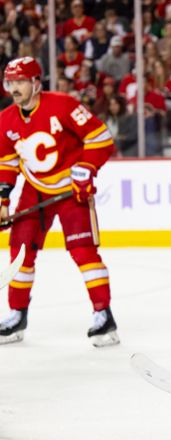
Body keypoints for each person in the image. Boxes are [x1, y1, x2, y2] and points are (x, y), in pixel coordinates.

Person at [0, 57, 118, 346]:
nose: (14, 88)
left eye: (20, 81)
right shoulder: (5, 120)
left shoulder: (63, 105)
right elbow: (7, 162)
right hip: (35, 189)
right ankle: (17, 315)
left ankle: (104, 316)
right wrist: (3, 200)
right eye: (10, 82)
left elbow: (101, 138)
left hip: (70, 190)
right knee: (20, 252)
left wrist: (85, 168)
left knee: (83, 251)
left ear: (36, 83)